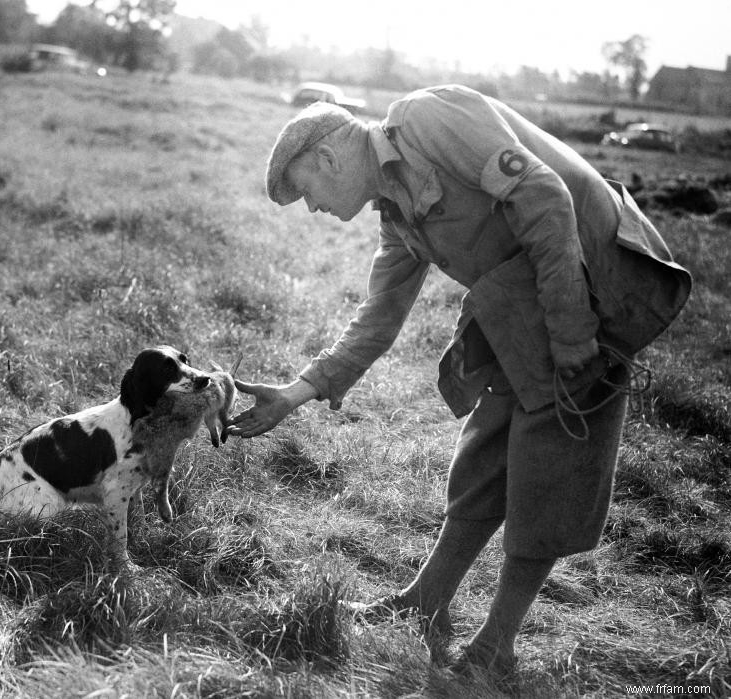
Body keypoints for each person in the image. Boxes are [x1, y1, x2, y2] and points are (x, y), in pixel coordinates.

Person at [227, 85, 691, 674]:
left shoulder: (427, 120)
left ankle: (497, 645)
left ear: (327, 159)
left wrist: (573, 330)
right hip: (523, 296)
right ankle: (425, 602)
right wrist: (298, 392)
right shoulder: (395, 213)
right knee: (485, 454)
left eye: (308, 192)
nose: (313, 207)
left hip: (590, 275)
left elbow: (546, 198)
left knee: (550, 462)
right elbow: (381, 312)